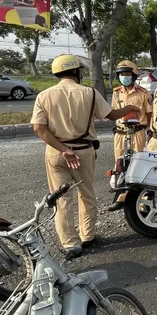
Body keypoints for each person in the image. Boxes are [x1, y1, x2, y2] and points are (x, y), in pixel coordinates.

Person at [31, 54, 142, 258]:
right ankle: (87, 236)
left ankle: (70, 244)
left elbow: (39, 129)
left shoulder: (44, 96)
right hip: (83, 150)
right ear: (76, 72)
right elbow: (111, 115)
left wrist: (64, 149)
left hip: (57, 153)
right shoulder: (89, 93)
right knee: (86, 194)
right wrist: (130, 108)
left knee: (62, 199)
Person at [107, 60, 153, 212]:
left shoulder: (144, 93)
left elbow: (149, 114)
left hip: (138, 133)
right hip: (120, 134)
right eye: (121, 74)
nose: (124, 77)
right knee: (120, 165)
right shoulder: (116, 92)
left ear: (134, 76)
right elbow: (114, 112)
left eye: (127, 74)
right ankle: (121, 197)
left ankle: (143, 201)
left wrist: (146, 131)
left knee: (139, 165)